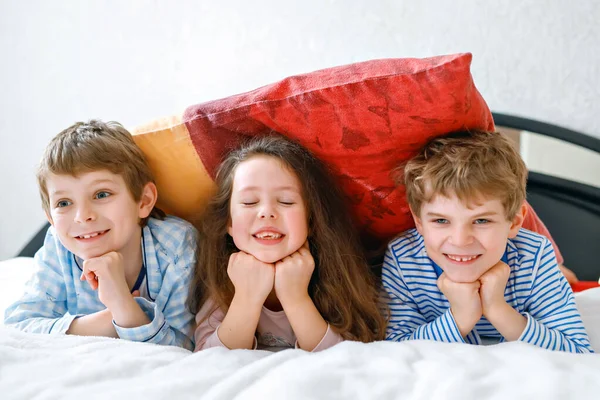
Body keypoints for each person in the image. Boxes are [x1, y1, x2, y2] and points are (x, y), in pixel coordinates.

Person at [382, 130, 593, 353]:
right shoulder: (403, 260)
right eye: (441, 220)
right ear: (420, 222)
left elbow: (577, 352)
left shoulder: (535, 257)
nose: (460, 240)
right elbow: (395, 350)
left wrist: (497, 308)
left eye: (481, 220)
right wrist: (461, 316)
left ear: (514, 222)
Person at [4, 120, 197, 350]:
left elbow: (184, 346)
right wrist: (109, 320)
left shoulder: (175, 247)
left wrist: (122, 302)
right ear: (51, 219)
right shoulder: (59, 247)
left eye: (101, 194)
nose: (82, 216)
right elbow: (18, 326)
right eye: (64, 202)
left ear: (143, 201)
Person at [189, 135, 386, 352]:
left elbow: (354, 354)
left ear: (312, 220)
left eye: (285, 201)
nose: (266, 213)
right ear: (228, 221)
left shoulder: (339, 275)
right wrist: (246, 298)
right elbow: (207, 358)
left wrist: (296, 298)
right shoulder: (222, 279)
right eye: (249, 202)